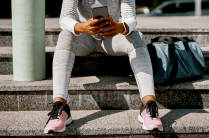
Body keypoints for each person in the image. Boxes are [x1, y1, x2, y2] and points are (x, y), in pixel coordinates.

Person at [44, 0, 163, 133]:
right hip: (84, 37)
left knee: (136, 36)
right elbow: (65, 18)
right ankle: (60, 107)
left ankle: (149, 106)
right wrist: (81, 27)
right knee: (65, 35)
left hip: (111, 38)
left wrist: (121, 27)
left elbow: (130, 18)